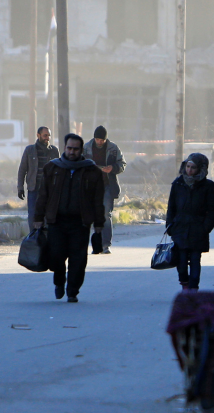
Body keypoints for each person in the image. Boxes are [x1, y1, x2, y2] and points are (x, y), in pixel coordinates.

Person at [33, 133, 105, 302]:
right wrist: (38, 217)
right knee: (56, 256)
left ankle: (72, 291)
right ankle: (59, 282)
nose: (72, 152)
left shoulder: (92, 171)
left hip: (80, 223)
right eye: (69, 148)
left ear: (81, 150)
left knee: (78, 259)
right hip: (56, 221)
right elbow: (43, 195)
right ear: (64, 148)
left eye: (76, 149)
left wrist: (99, 222)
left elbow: (98, 200)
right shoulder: (52, 168)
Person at [166, 153, 214, 291]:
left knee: (195, 260)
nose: (189, 170)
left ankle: (194, 289)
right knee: (181, 261)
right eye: (188, 166)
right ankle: (184, 283)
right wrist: (170, 226)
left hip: (198, 229)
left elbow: (212, 211)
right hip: (180, 228)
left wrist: (205, 228)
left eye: (193, 167)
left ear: (200, 169)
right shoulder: (178, 183)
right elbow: (171, 207)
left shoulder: (207, 186)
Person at [83, 125, 126, 254]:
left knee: (106, 214)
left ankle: (106, 244)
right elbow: (79, 162)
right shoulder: (86, 148)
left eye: (102, 140)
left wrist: (112, 168)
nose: (99, 142)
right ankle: (95, 245)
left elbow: (122, 164)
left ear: (106, 139)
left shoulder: (113, 148)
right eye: (97, 139)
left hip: (107, 185)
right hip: (91, 187)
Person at [17, 126, 60, 232]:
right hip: (34, 188)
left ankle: (46, 237)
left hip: (49, 190)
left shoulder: (54, 151)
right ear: (38, 135)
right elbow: (22, 170)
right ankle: (33, 236)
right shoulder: (30, 150)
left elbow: (59, 171)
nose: (47, 138)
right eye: (45, 135)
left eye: (49, 136)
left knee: (48, 215)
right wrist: (20, 188)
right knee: (33, 215)